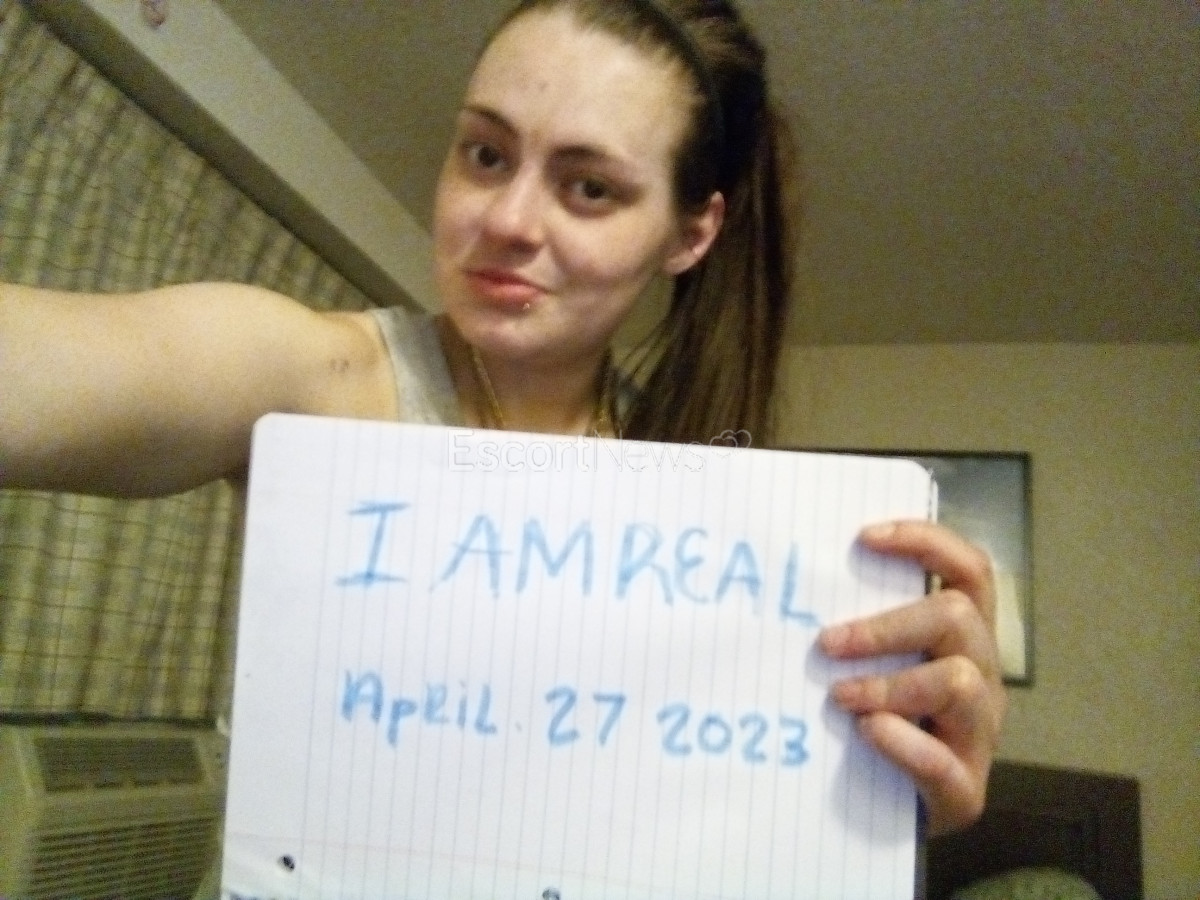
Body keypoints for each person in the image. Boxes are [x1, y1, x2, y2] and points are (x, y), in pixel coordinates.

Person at [0, 0, 1004, 837]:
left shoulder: (703, 504)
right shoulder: (314, 378)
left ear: (689, 233)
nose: (509, 221)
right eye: (486, 154)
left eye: (589, 187)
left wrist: (882, 803)